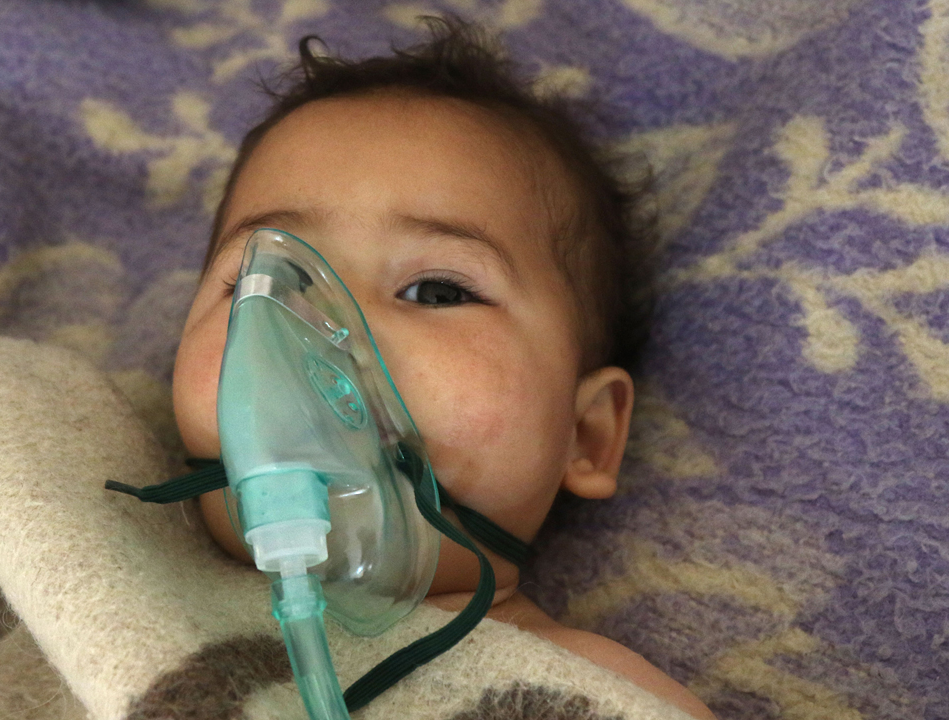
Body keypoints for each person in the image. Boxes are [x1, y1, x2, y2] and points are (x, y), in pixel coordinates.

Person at [170, 16, 714, 720]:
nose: (322, 336)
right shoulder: (97, 547)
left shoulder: (589, 692)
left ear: (584, 434)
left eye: (436, 291)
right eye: (266, 285)